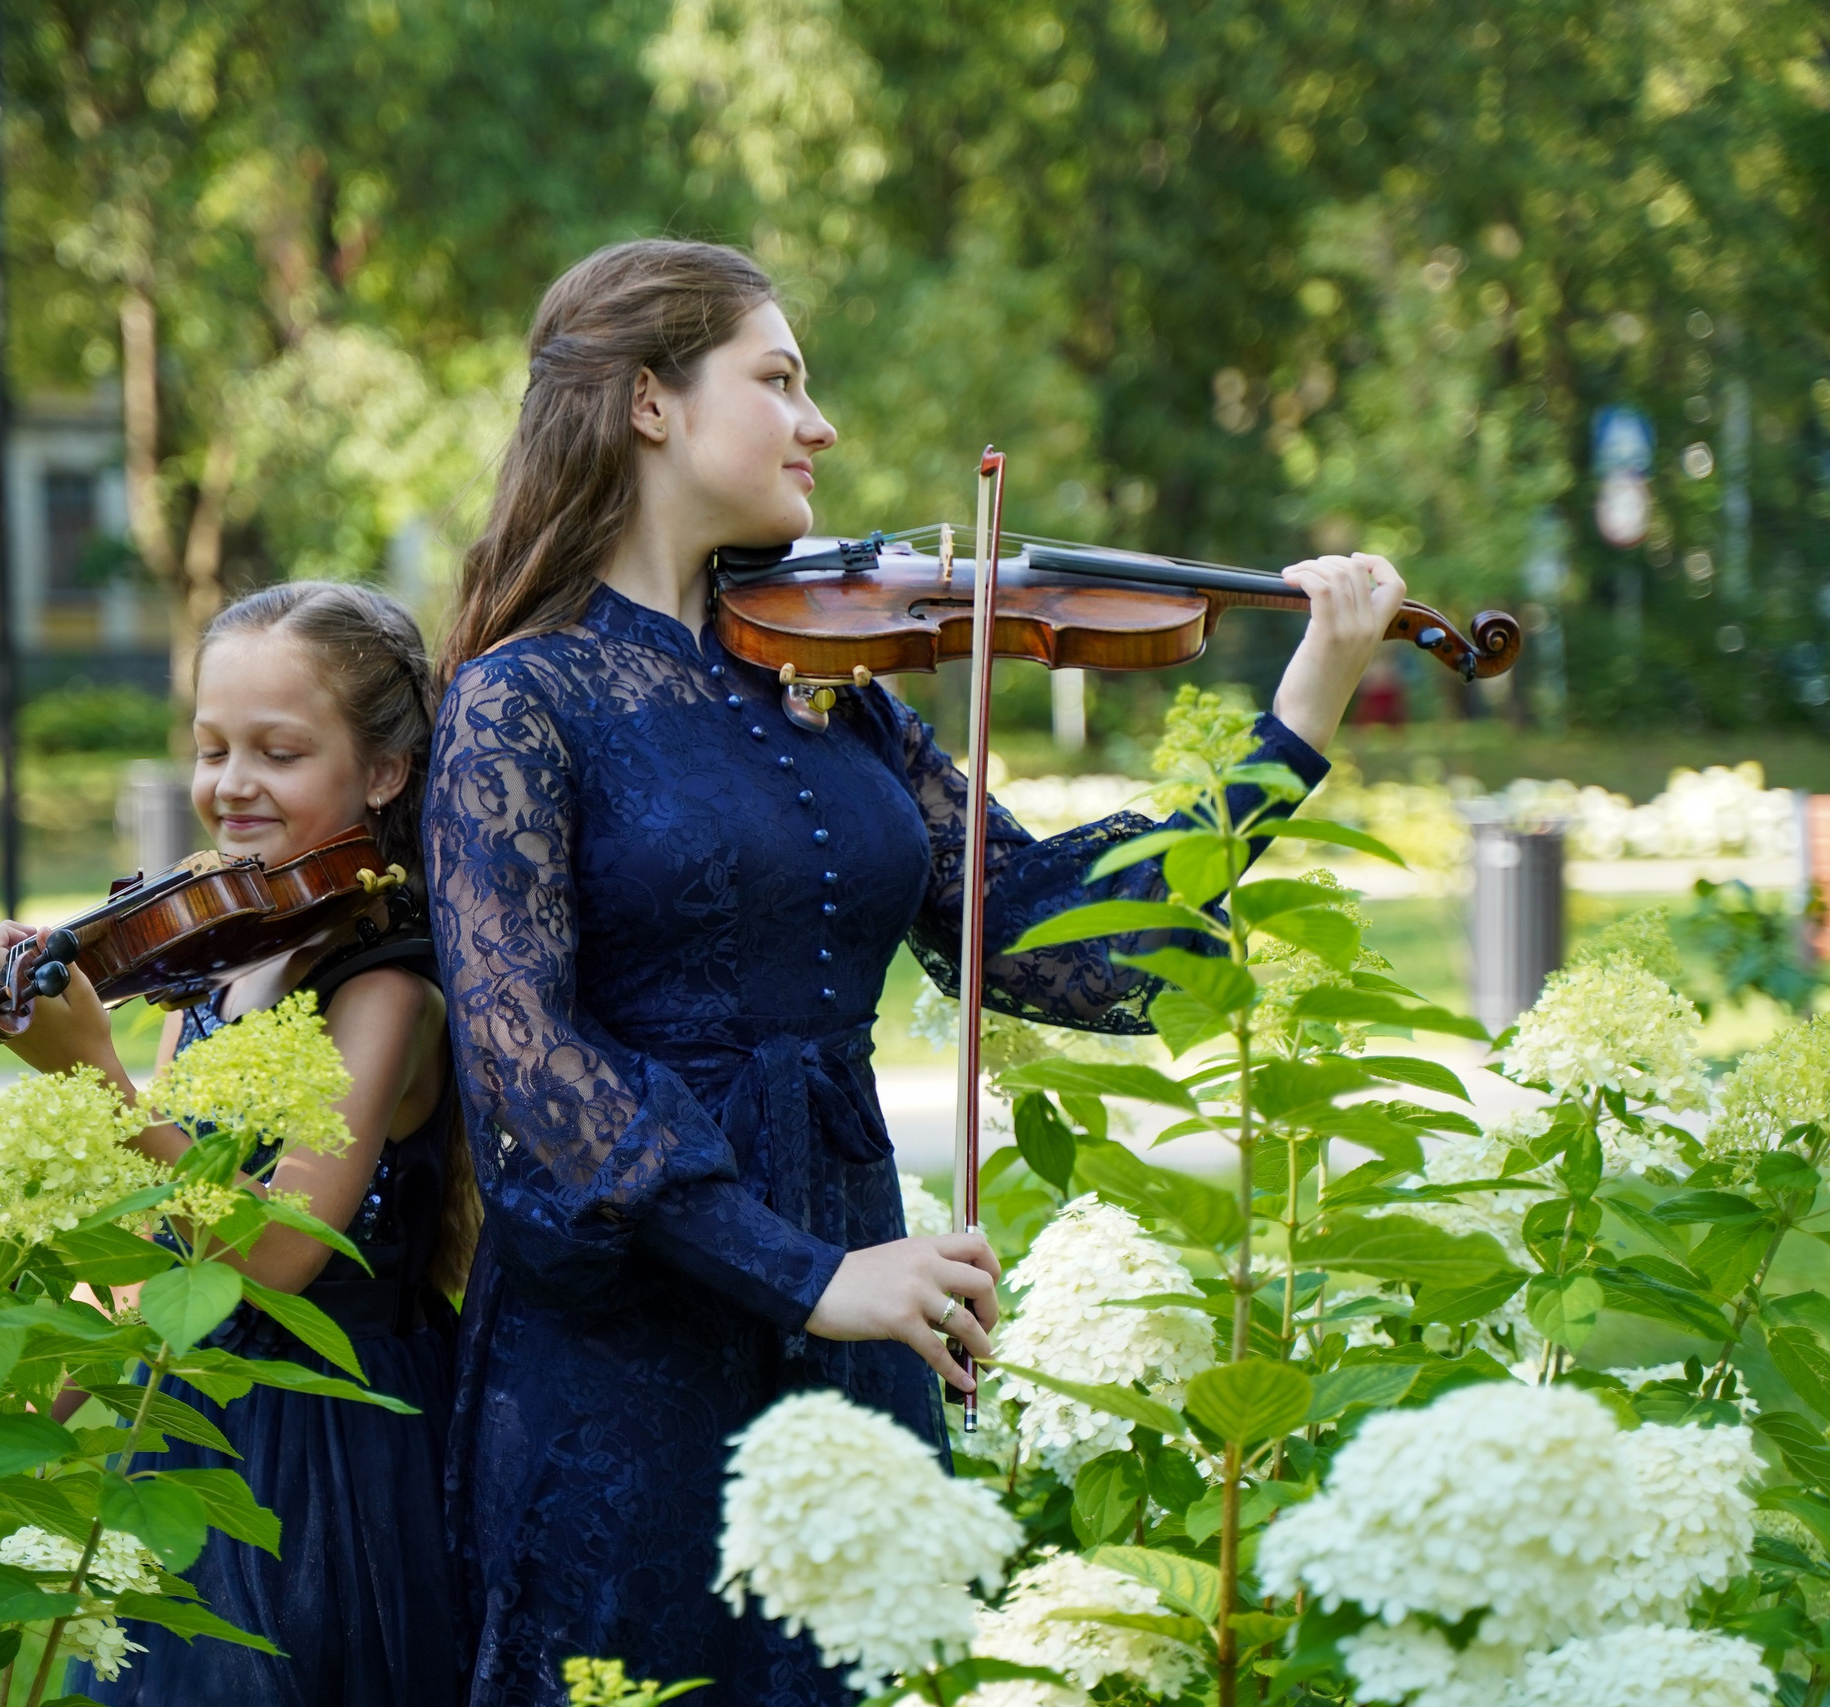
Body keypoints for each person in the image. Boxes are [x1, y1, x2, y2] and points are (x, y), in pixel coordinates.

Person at [423, 239, 1404, 1704]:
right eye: (779, 378)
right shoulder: (523, 698)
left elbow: (1046, 927)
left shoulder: (835, 692)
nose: (819, 424)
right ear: (648, 401)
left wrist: (1294, 726)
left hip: (860, 1306)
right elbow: (526, 1064)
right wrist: (808, 1275)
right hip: (634, 1350)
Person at [0, 582, 471, 1707]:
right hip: (185, 1424)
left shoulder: (385, 987)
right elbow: (148, 1261)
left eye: (279, 751)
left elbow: (277, 1254)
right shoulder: (205, 957)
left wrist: (97, 1079)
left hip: (334, 1461)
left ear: (386, 771)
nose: (231, 784)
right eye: (211, 748)